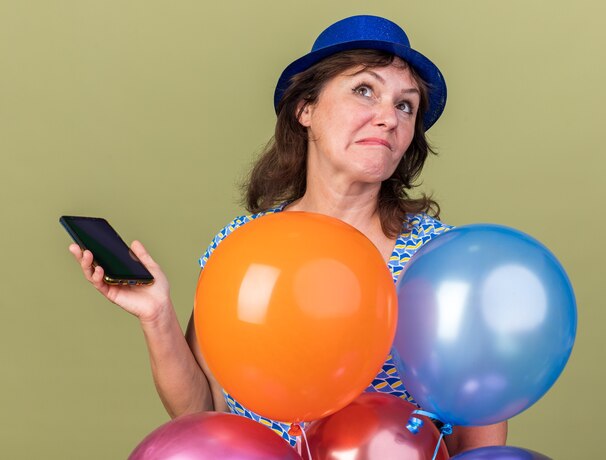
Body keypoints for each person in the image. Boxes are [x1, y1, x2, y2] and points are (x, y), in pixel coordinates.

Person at [69, 14, 507, 455]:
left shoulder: (438, 259)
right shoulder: (242, 247)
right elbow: (203, 412)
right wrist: (157, 315)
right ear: (306, 110)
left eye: (404, 105)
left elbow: (480, 439)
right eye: (364, 91)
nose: (388, 118)